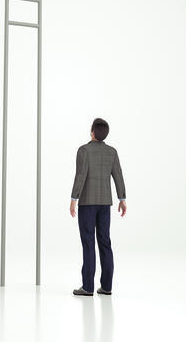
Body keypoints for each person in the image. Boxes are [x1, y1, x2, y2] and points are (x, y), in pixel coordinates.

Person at [70, 117, 127, 296]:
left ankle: (87, 287)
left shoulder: (84, 150)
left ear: (92, 132)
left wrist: (73, 198)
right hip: (105, 203)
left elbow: (80, 176)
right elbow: (118, 175)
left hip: (87, 203)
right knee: (105, 242)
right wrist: (122, 198)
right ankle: (107, 286)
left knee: (88, 243)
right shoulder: (112, 152)